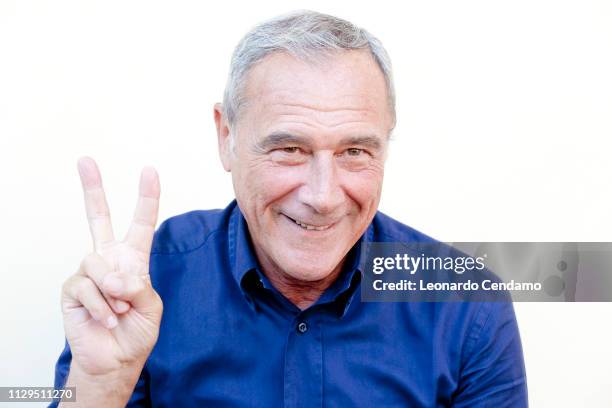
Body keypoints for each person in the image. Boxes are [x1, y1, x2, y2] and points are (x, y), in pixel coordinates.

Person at [51, 10, 528, 407]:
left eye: (355, 152)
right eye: (290, 149)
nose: (322, 196)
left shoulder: (466, 307)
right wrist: (99, 388)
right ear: (227, 137)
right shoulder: (142, 286)